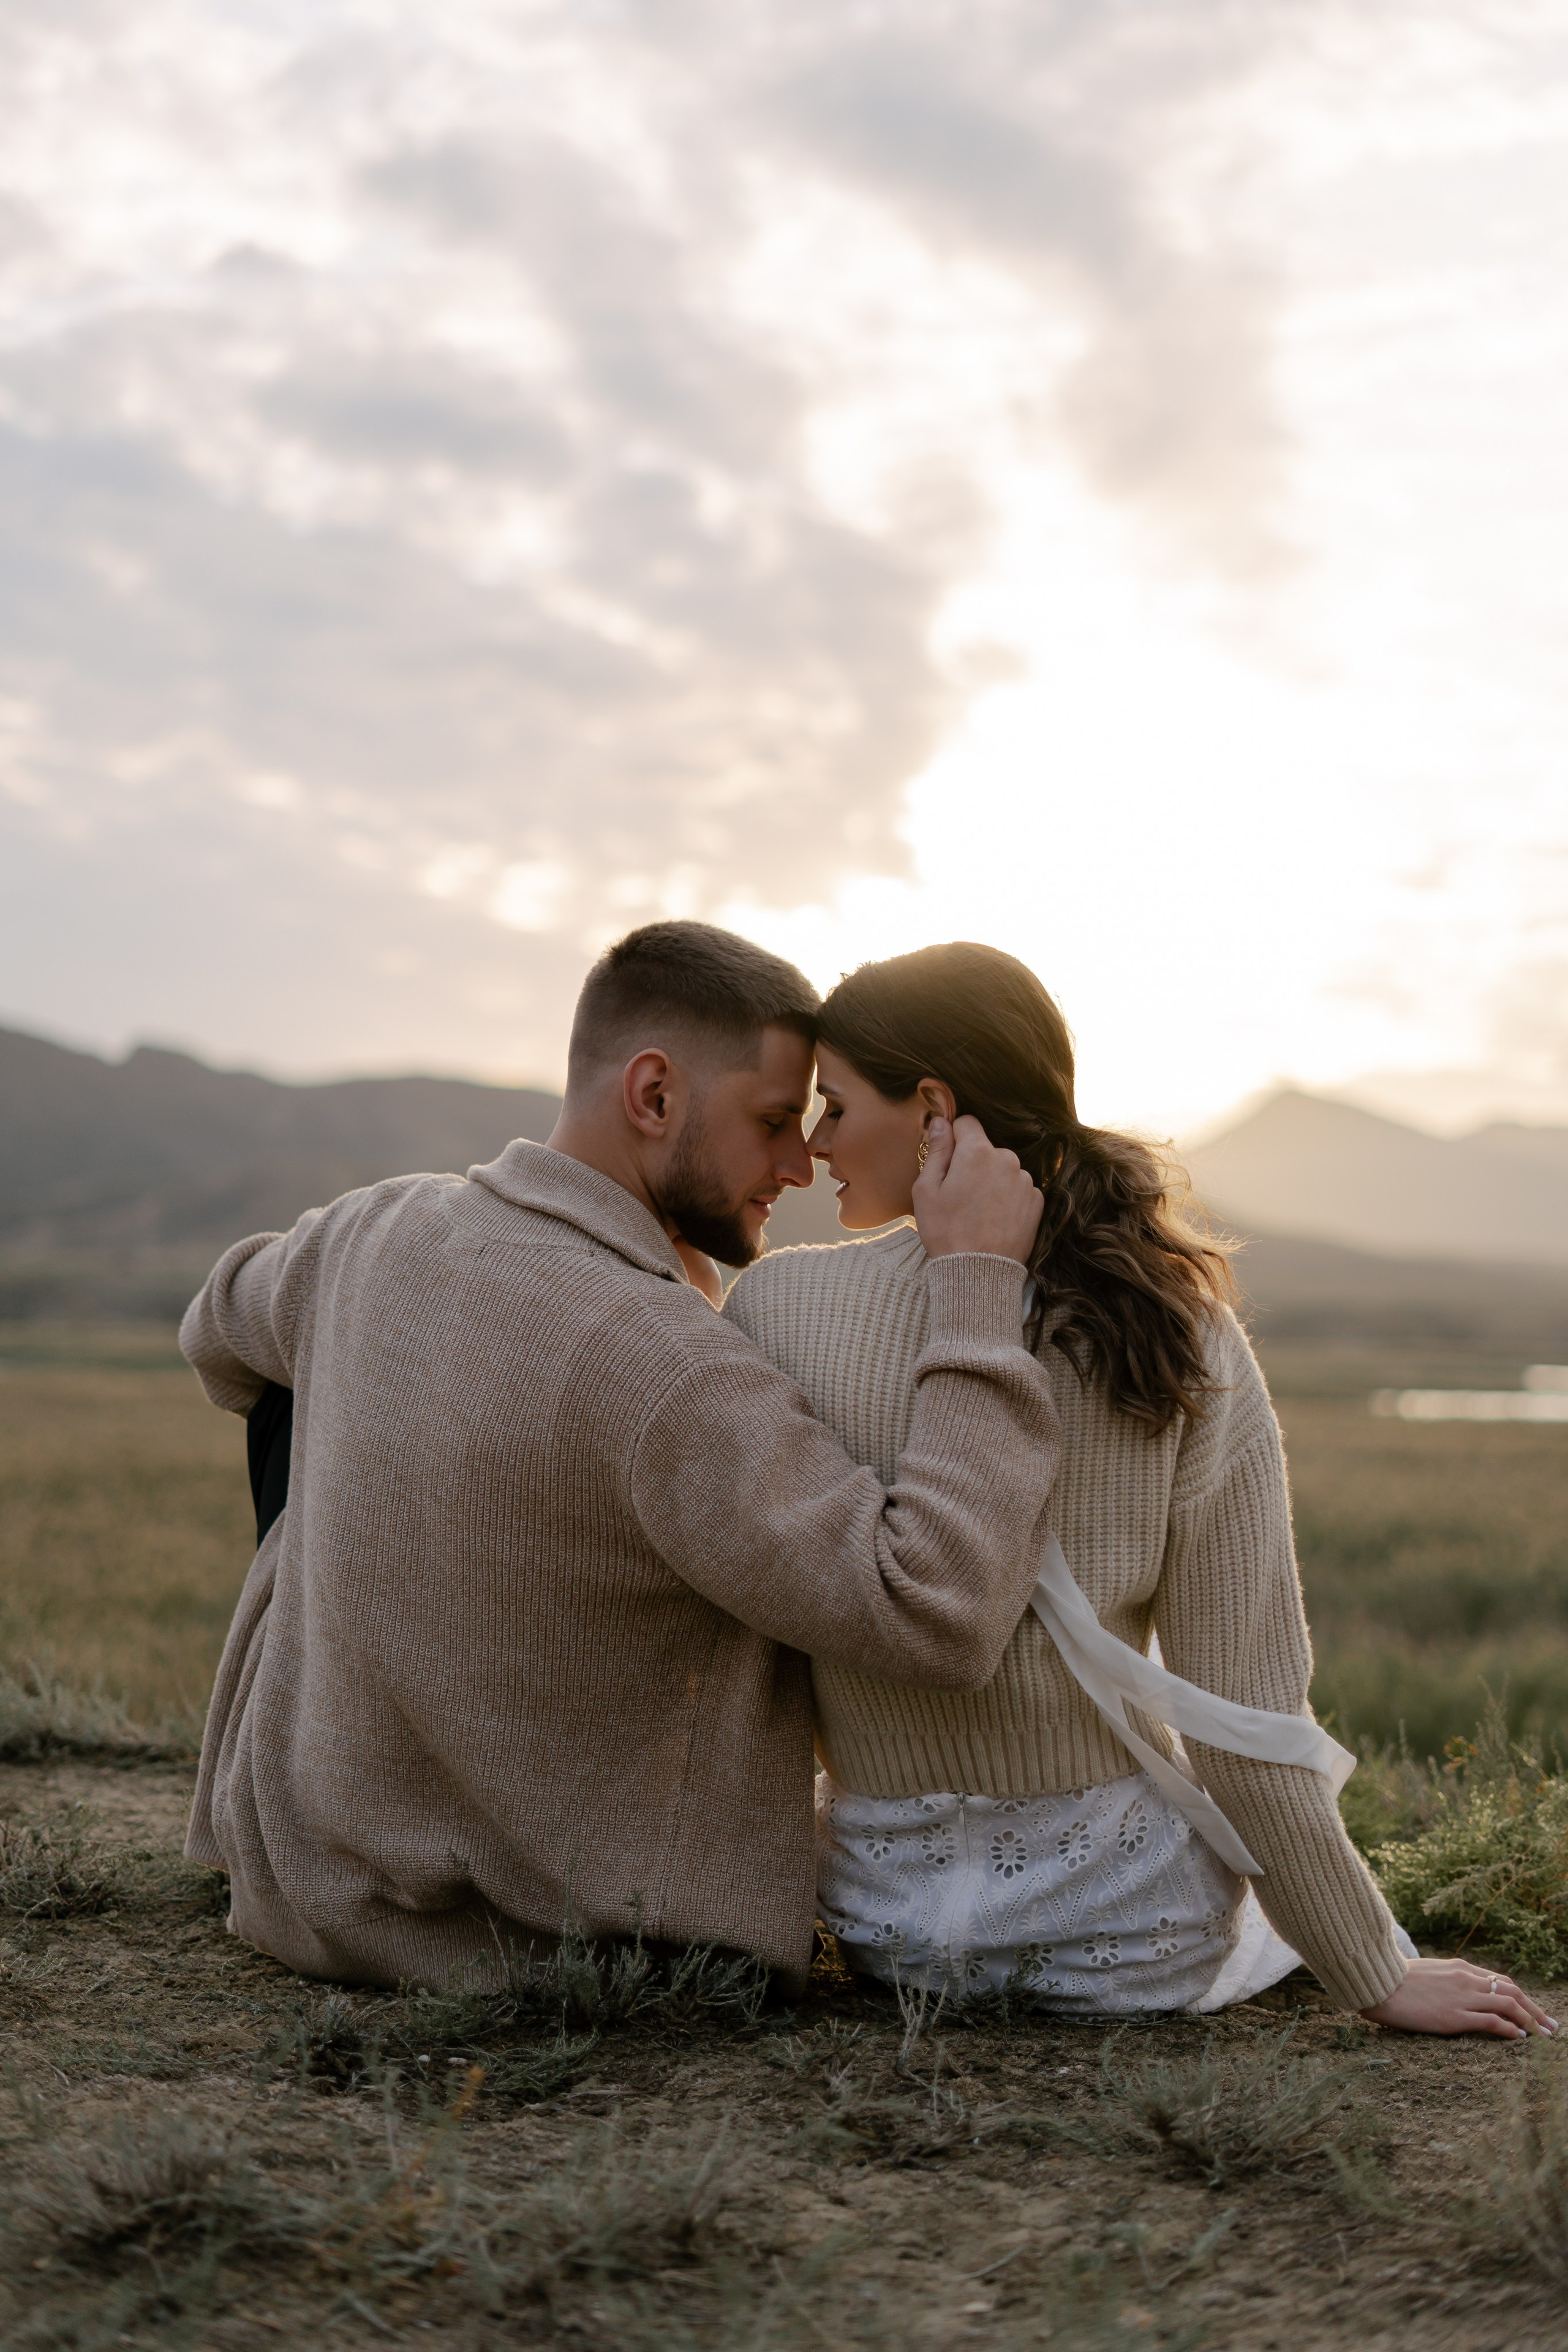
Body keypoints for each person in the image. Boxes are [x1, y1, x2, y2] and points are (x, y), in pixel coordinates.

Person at [179, 921, 1056, 1990]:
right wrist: (973, 1285)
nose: (800, 1163)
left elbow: (219, 1322)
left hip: (296, 1894)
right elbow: (938, 1610)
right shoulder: (667, 1368)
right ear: (653, 1096)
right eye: (775, 1121)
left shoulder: (364, 1233)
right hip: (558, 1945)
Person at [723, 942, 1555, 2040]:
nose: (817, 1140)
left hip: (888, 1929)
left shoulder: (776, 1310)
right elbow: (1241, 1718)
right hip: (1125, 1937)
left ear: (934, 1109)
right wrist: (1373, 1969)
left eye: (836, 1104)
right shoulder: (1179, 1332)